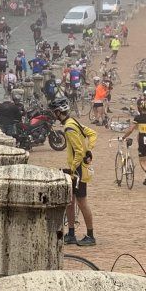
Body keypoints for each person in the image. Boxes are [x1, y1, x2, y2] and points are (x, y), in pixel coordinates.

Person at [58, 103, 97, 247]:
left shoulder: (69, 128)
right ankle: (71, 234)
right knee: (70, 201)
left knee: (82, 202)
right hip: (76, 169)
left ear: (58, 113)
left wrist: (73, 168)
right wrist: (90, 149)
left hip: (78, 170)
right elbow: (92, 134)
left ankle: (90, 235)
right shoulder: (73, 121)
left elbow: (79, 152)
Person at [126, 95, 146, 186]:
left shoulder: (138, 118)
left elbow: (131, 130)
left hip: (142, 140)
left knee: (142, 161)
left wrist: (124, 137)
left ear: (140, 108)